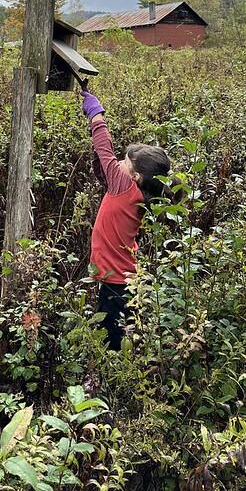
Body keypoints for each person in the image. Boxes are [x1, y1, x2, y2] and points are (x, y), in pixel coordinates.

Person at [80, 90, 173, 350]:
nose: (119, 164)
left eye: (124, 162)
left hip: (116, 281)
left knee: (111, 337)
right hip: (125, 277)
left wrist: (96, 116)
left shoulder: (125, 186)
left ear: (135, 177)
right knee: (124, 329)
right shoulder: (136, 193)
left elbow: (104, 150)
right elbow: (104, 168)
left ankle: (110, 379)